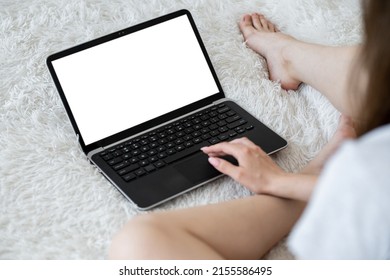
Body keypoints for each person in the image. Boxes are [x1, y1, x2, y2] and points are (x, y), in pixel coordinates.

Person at [109, 0, 390, 259]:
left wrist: (278, 182)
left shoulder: (365, 174)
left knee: (140, 239)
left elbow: (374, 201)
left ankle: (312, 173)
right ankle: (286, 55)